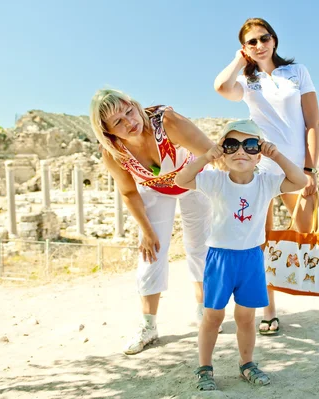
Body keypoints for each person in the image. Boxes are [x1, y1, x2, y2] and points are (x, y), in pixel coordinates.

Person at [214, 17, 319, 335]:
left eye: (264, 38)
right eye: (252, 42)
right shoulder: (246, 81)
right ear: (245, 48)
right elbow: (221, 87)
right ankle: (270, 309)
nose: (260, 45)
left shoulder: (297, 72)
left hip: (295, 167)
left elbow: (313, 122)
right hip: (259, 167)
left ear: (274, 40)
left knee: (310, 233)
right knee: (260, 239)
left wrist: (310, 168)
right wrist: (240, 60)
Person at [175, 120, 307, 390]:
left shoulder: (266, 183)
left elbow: (300, 180)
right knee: (213, 317)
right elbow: (181, 179)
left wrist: (277, 155)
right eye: (231, 145)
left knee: (246, 318)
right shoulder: (215, 180)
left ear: (259, 153)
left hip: (250, 259)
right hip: (220, 259)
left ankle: (247, 363)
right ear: (223, 151)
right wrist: (206, 156)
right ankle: (205, 367)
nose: (241, 152)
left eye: (250, 145)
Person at [90, 88, 216, 355]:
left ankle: (204, 309)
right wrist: (146, 231)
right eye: (118, 122)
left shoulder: (166, 121)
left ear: (134, 104)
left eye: (129, 111)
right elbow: (128, 191)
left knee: (198, 246)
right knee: (151, 251)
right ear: (108, 131)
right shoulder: (113, 151)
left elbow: (210, 152)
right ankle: (148, 325)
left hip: (194, 179)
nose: (130, 122)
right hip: (155, 189)